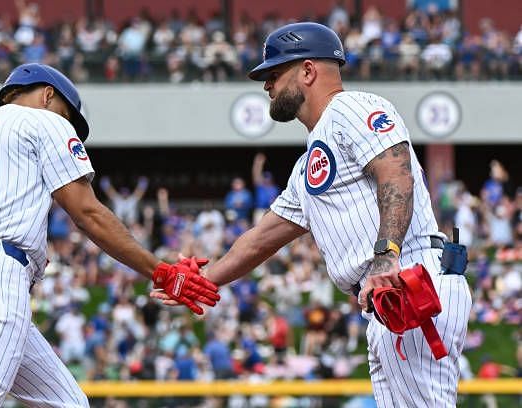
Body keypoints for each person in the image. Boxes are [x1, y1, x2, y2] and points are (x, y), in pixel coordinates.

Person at [154, 22, 471, 407]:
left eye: (274, 73)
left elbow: (396, 173)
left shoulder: (353, 108)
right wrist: (204, 281)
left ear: (308, 70)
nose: (266, 84)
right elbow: (261, 238)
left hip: (408, 280)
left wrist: (387, 255)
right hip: (385, 293)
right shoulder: (309, 163)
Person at [0, 63, 220, 407]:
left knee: (69, 404)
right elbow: (87, 214)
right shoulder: (43, 120)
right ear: (48, 95)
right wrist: (160, 271)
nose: (68, 123)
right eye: (67, 115)